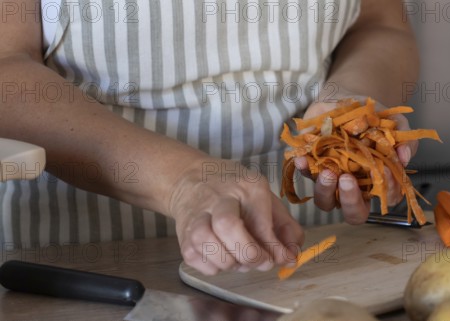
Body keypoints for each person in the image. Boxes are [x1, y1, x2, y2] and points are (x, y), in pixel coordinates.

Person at [0, 0, 419, 275]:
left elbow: (379, 25)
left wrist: (350, 102)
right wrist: (183, 180)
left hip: (316, 259)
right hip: (87, 268)